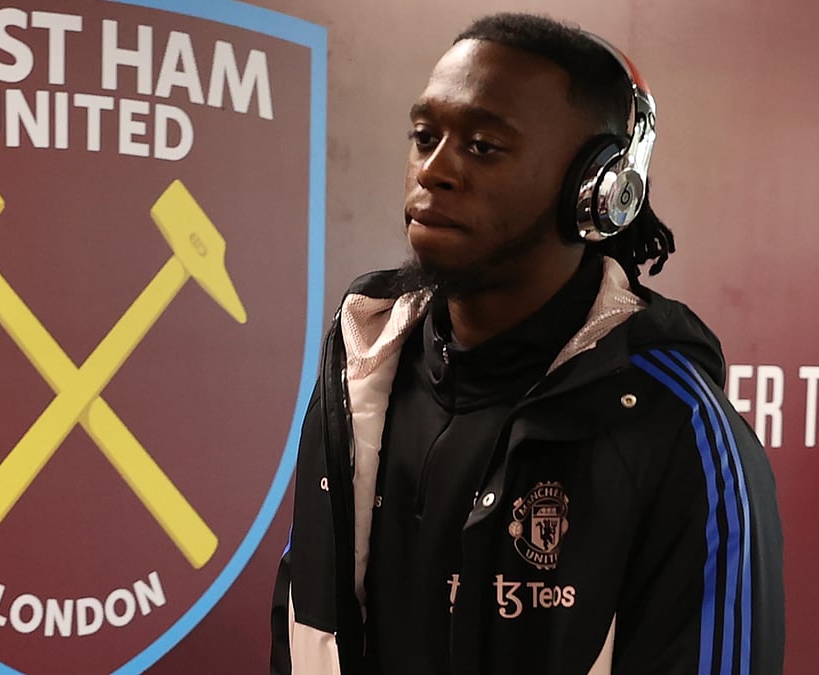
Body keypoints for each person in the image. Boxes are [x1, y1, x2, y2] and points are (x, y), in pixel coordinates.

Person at [270, 12, 784, 675]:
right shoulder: (361, 371)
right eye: (425, 136)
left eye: (482, 146)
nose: (434, 169)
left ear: (599, 193)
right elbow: (306, 623)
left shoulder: (678, 428)